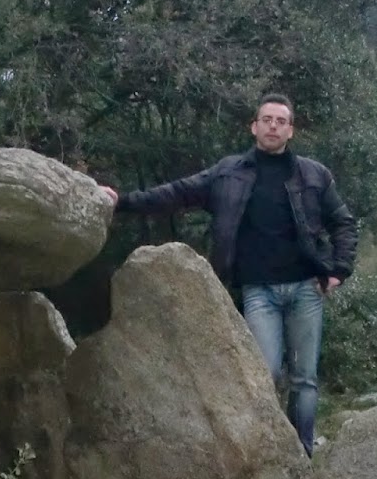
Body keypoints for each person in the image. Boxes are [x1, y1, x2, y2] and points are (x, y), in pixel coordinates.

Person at [100, 93, 357, 455]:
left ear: (291, 130)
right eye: (267, 119)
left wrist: (339, 270)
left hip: (305, 288)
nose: (273, 126)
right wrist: (122, 201)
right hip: (258, 293)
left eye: (281, 121)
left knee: (304, 380)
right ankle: (270, 454)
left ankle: (302, 454)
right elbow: (177, 193)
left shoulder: (314, 174)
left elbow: (342, 222)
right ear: (254, 126)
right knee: (263, 377)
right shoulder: (229, 172)